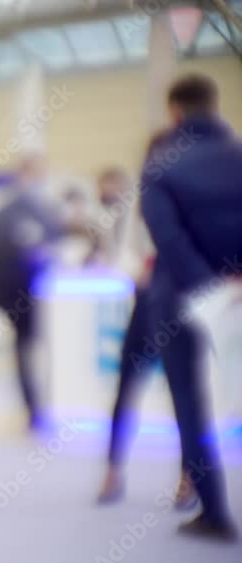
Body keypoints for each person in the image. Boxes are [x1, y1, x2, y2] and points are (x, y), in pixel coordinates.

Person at [140, 74, 240, 542]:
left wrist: (208, 288)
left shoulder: (162, 165)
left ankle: (215, 513)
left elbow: (168, 238)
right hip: (238, 291)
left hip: (179, 296)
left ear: (175, 112)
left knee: (190, 403)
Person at [94, 159, 198, 510]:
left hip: (179, 304)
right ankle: (113, 470)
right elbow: (125, 252)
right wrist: (139, 272)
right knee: (127, 388)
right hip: (146, 302)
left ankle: (188, 478)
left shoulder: (189, 198)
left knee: (183, 395)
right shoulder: (138, 201)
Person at [0, 155, 65, 430]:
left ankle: (50, 402)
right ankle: (33, 407)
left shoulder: (47, 209)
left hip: (48, 293)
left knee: (45, 349)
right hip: (19, 295)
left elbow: (58, 242)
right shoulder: (10, 212)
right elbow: (3, 250)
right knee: (25, 349)